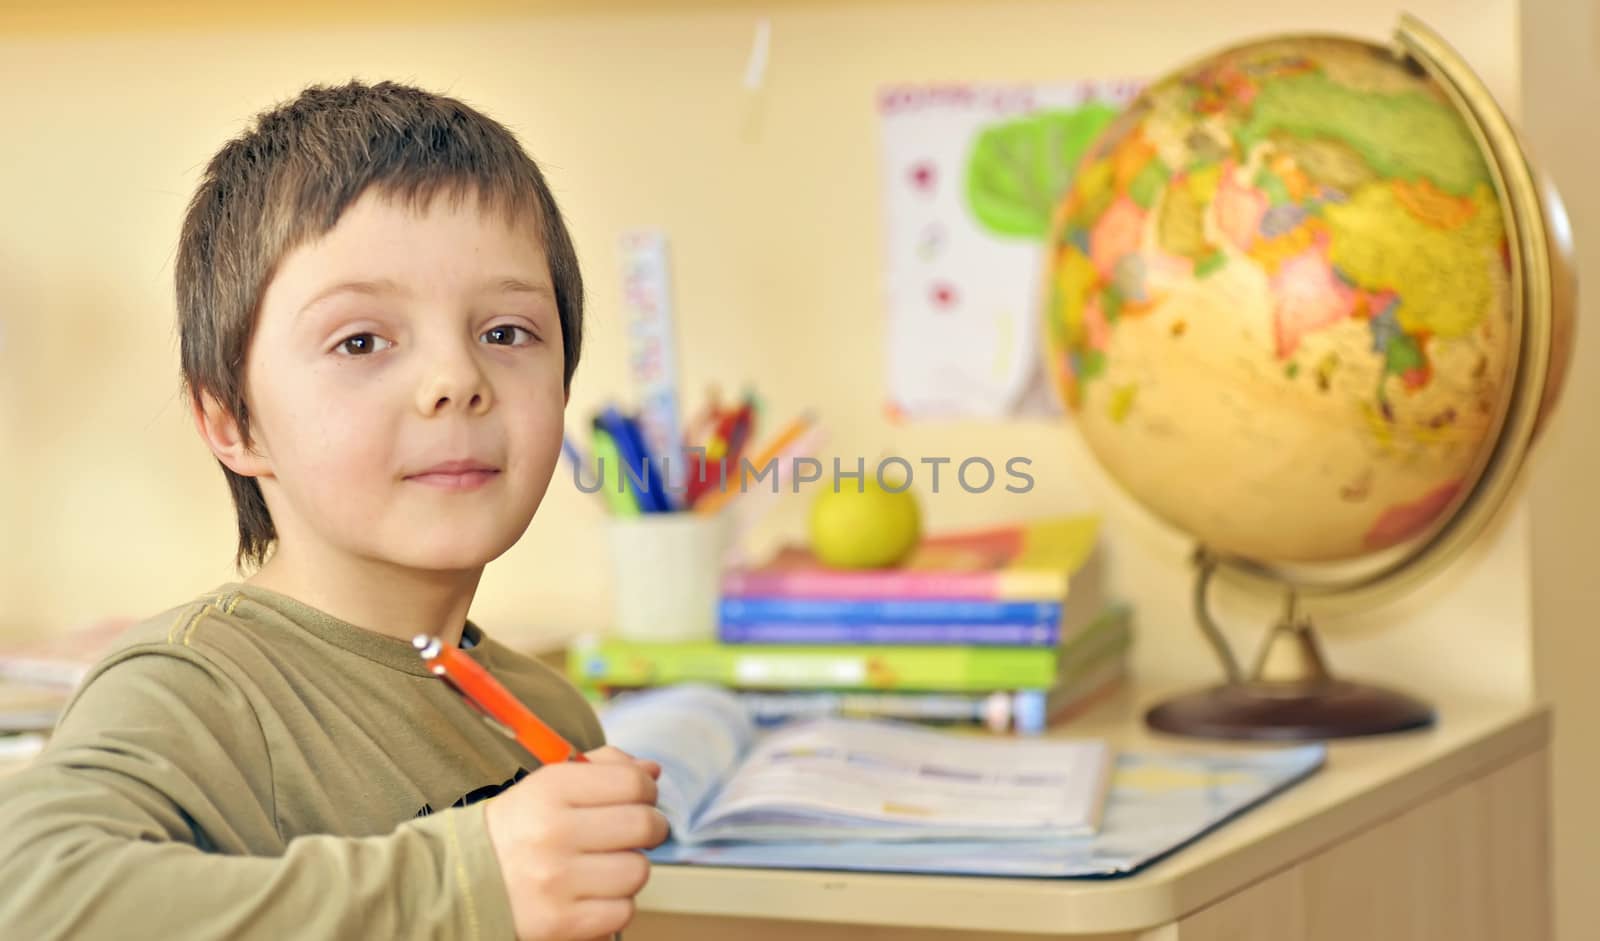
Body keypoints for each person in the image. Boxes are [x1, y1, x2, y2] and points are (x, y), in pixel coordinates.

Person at [0, 80, 668, 940]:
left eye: (506, 332)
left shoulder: (547, 712)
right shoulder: (199, 691)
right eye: (361, 341)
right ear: (232, 421)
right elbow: (28, 892)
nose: (456, 380)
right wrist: (462, 883)